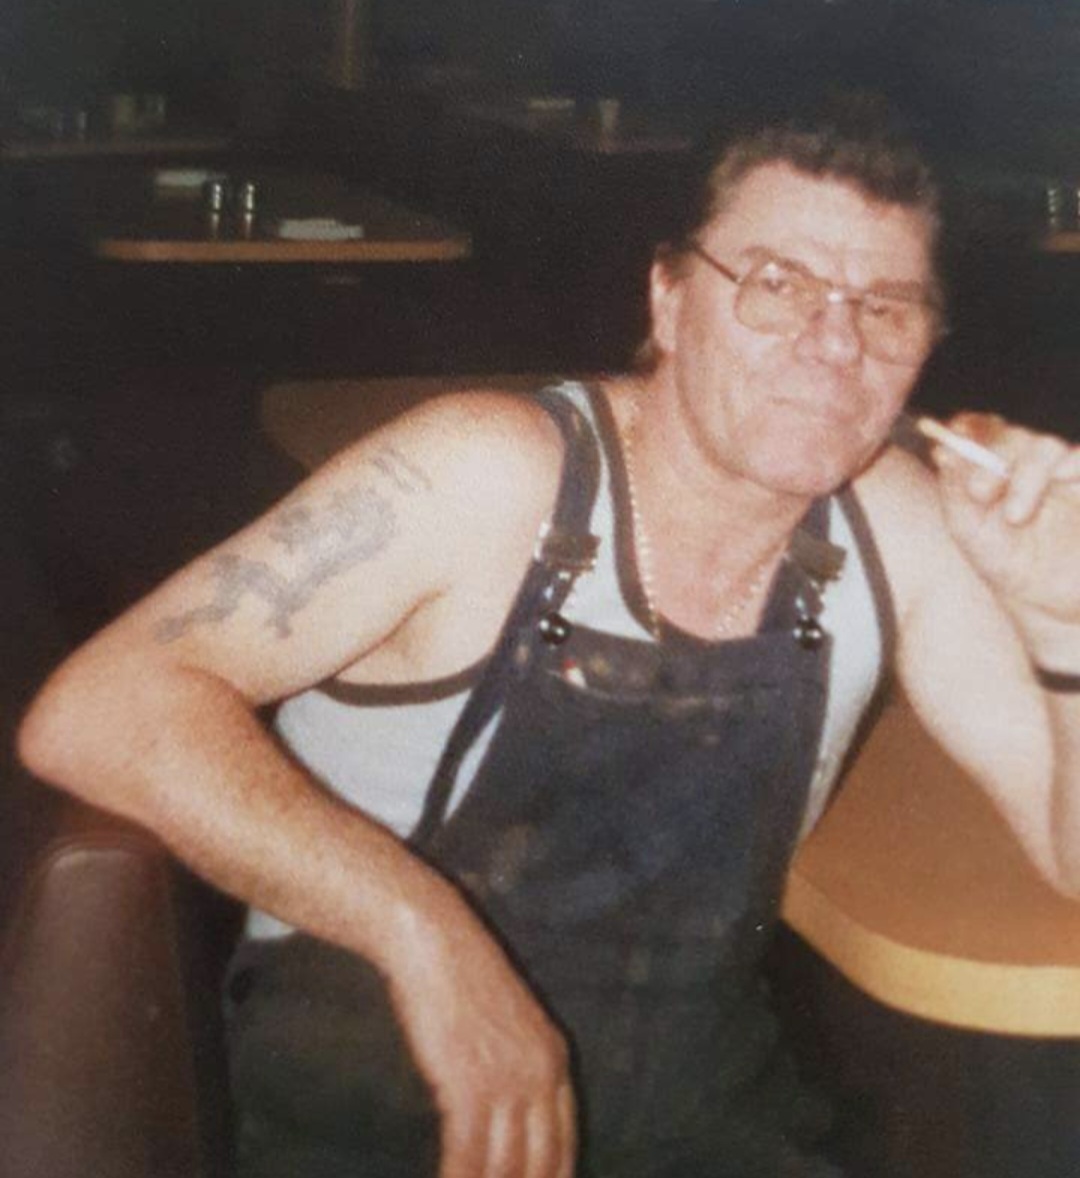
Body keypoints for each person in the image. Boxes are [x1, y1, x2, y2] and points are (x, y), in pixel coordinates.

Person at [17, 96, 1080, 1178]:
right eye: (778, 284)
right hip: (384, 1112)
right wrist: (429, 938)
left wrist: (1059, 616)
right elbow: (100, 707)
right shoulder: (491, 473)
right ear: (670, 299)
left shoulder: (894, 522)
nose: (835, 345)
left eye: (887, 309)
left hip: (700, 1120)